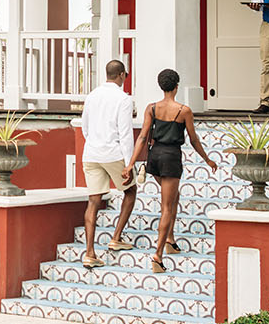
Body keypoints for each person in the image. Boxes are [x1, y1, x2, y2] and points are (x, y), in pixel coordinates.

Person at [126, 68, 216, 273]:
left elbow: (142, 137)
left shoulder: (152, 108)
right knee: (166, 206)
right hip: (171, 157)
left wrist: (131, 164)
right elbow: (193, 140)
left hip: (154, 157)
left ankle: (170, 239)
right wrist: (207, 159)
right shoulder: (184, 111)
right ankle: (158, 256)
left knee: (173, 197)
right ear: (176, 87)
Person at [78, 59, 137, 268]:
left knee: (93, 201)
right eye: (125, 75)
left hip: (91, 153)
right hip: (113, 153)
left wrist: (94, 143)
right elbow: (126, 134)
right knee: (130, 192)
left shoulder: (92, 96)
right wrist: (129, 164)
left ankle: (90, 253)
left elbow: (84, 127)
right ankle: (116, 237)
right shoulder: (123, 99)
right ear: (121, 74)